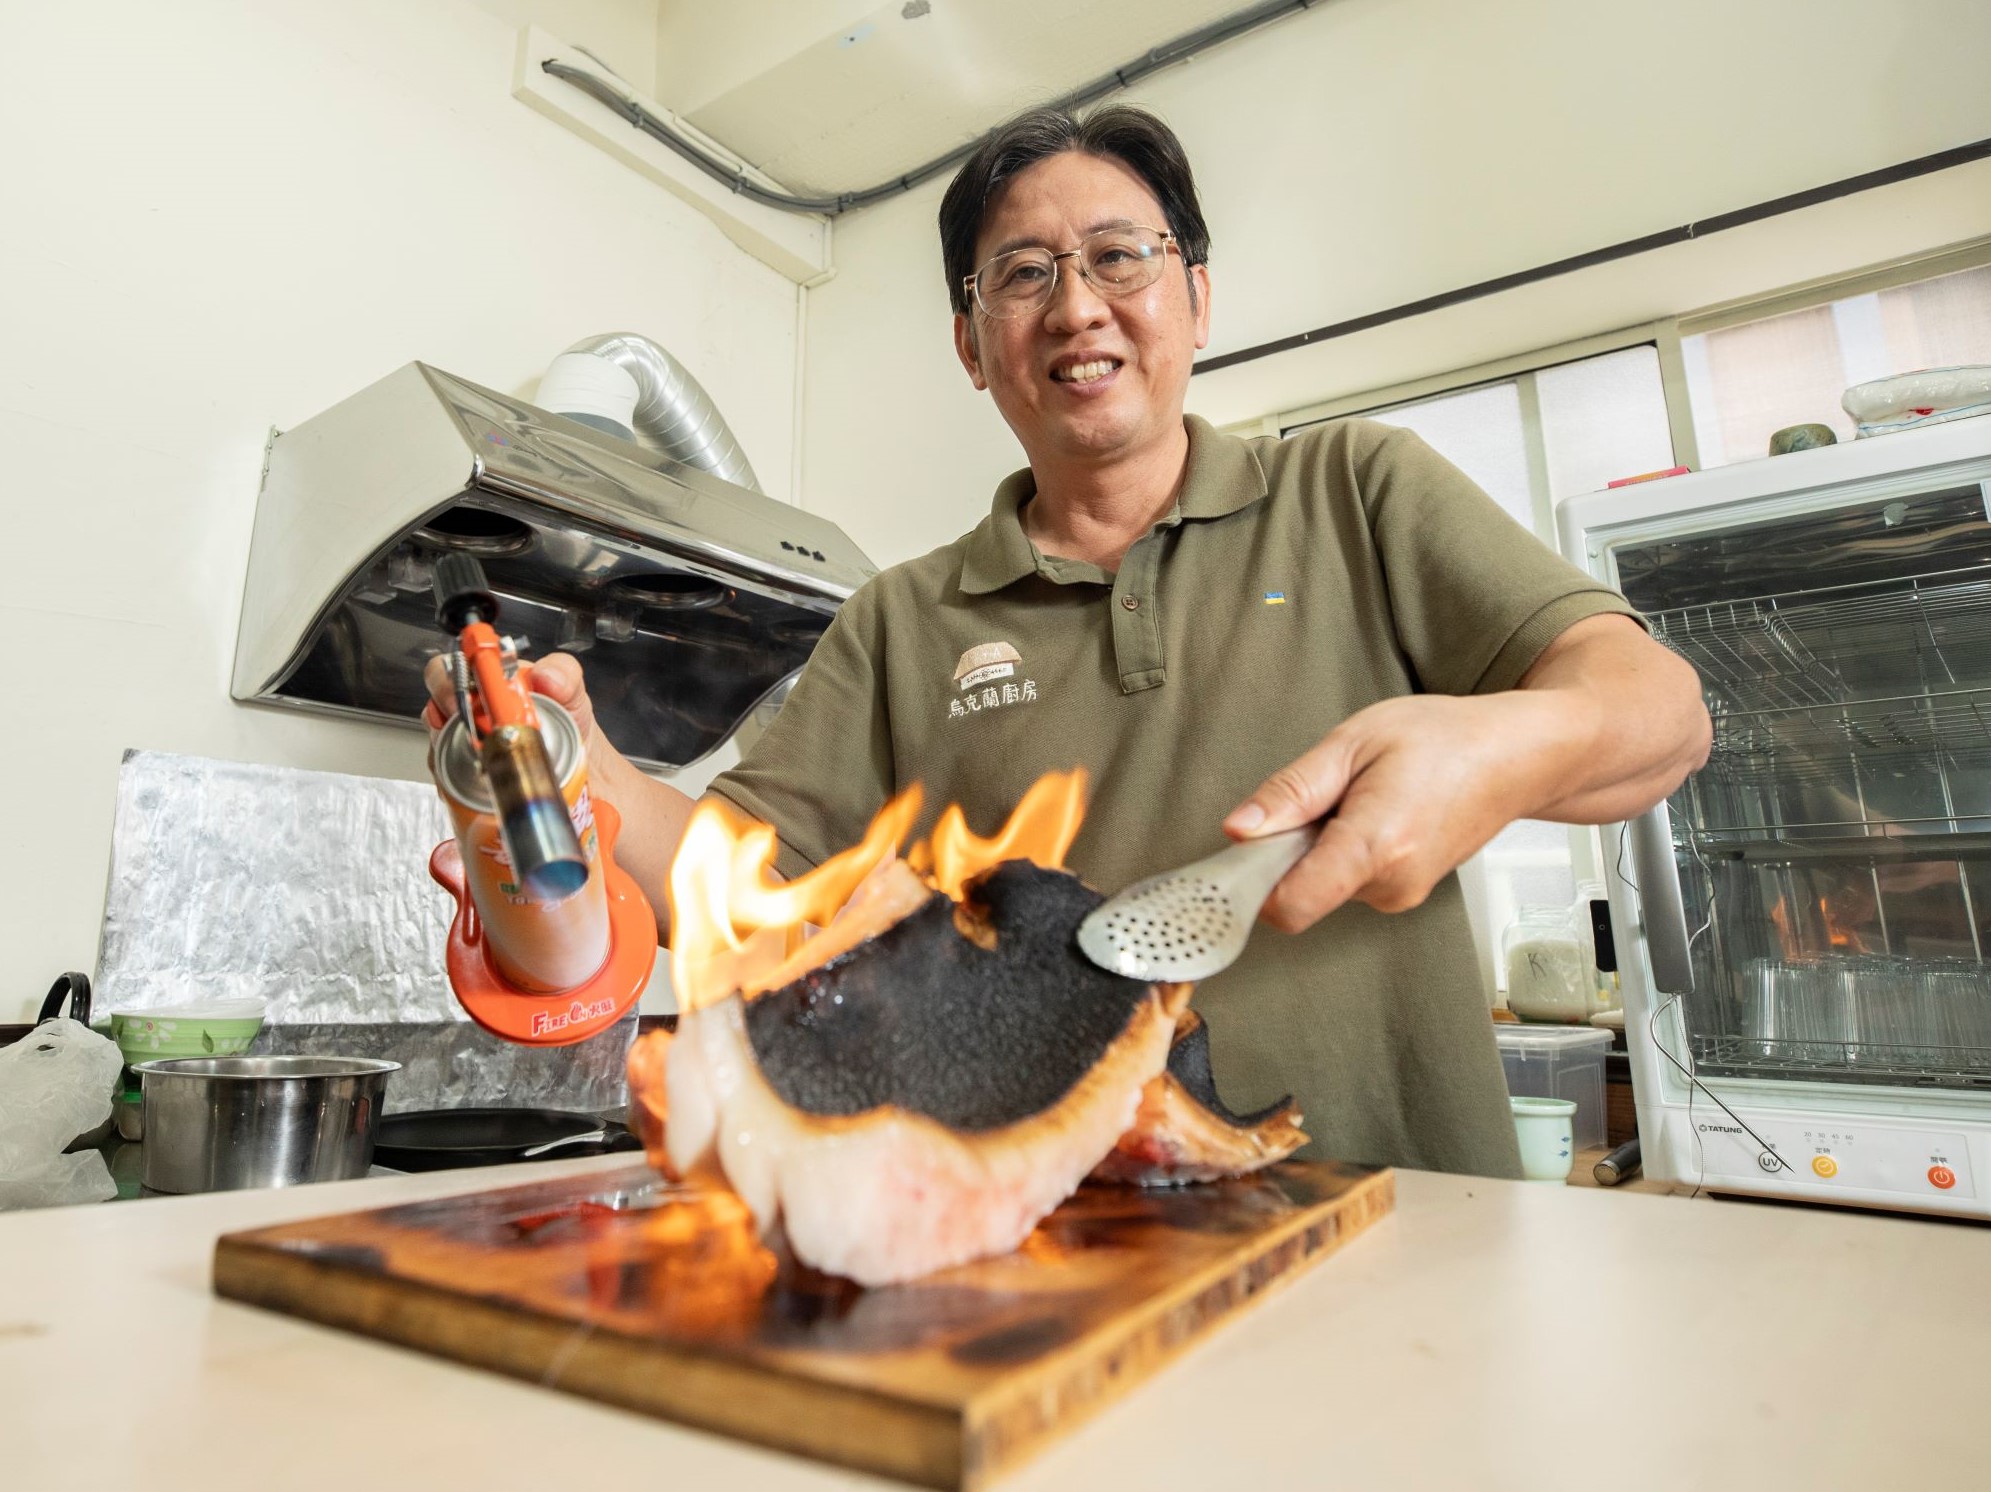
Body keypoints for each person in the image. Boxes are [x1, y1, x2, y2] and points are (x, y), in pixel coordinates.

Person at [427, 104, 1710, 1178]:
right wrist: (587, 768)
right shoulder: (903, 618)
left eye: (1119, 258)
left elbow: (1658, 711)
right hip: (1068, 1263)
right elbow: (741, 884)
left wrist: (1487, 752)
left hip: (1407, 1228)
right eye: (1025, 274)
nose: (1077, 307)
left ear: (1196, 299)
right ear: (972, 345)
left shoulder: (1356, 491)